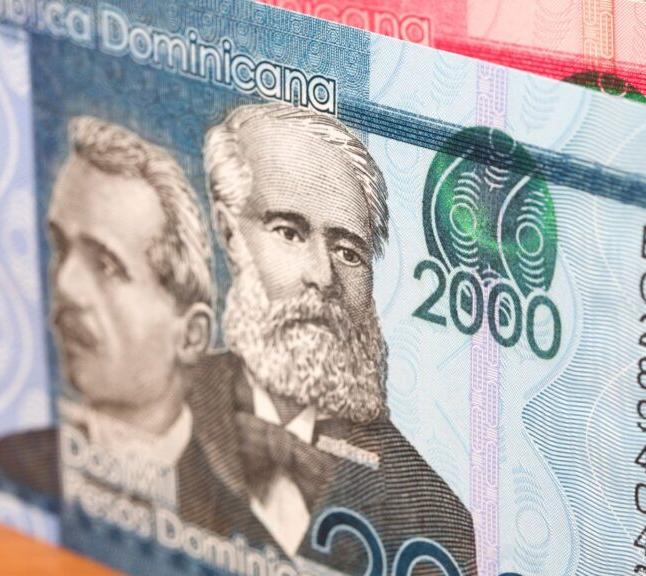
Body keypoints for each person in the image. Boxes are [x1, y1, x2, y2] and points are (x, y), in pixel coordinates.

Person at [191, 101, 478, 574]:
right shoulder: (161, 398)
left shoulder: (437, 519)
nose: (323, 277)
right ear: (229, 234)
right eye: (289, 232)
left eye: (348, 252)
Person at [0, 116, 231, 530]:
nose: (64, 284)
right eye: (60, 247)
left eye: (106, 265)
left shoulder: (237, 524)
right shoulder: (13, 466)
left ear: (191, 335)